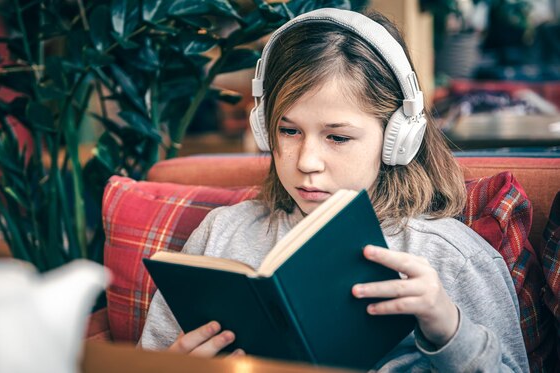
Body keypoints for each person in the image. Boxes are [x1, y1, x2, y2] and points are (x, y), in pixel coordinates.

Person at [140, 8, 528, 372]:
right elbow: (147, 358)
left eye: (338, 137)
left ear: (397, 138)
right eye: (288, 131)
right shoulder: (219, 234)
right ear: (263, 129)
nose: (307, 161)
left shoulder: (449, 257)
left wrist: (449, 329)